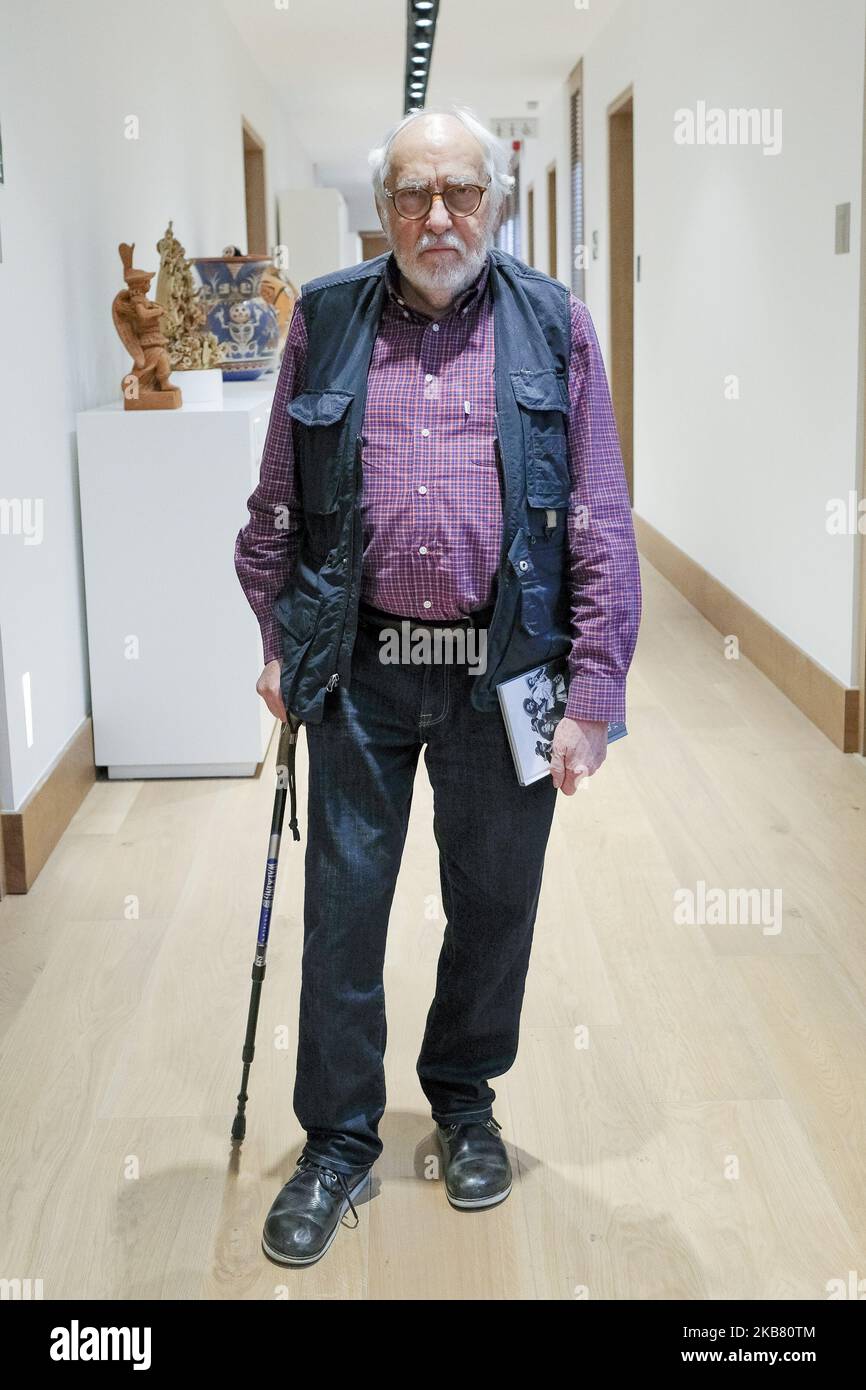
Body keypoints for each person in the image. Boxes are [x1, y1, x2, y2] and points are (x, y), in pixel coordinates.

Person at [233, 103, 642, 1267]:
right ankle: (338, 1140)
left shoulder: (552, 326)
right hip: (359, 672)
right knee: (345, 911)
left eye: (460, 191)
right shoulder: (322, 321)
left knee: (494, 903)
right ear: (382, 208)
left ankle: (463, 1101)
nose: (437, 215)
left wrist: (592, 694)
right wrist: (275, 633)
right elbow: (273, 502)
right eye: (412, 193)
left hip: (502, 672)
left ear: (493, 202)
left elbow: (599, 517)